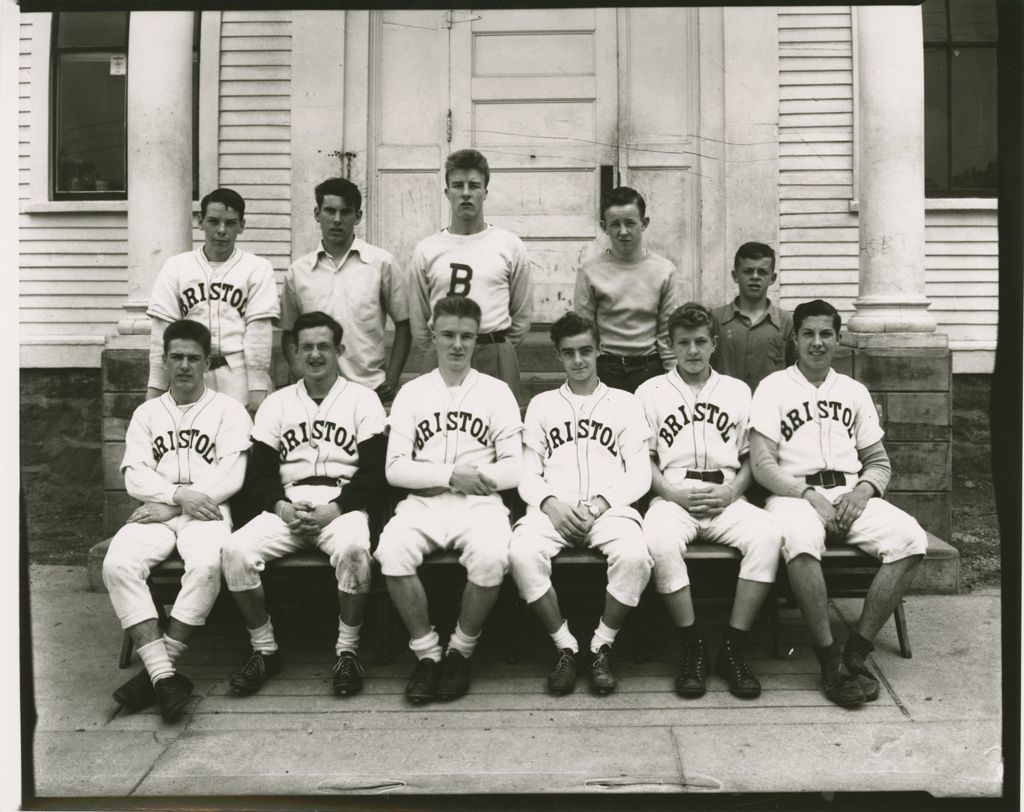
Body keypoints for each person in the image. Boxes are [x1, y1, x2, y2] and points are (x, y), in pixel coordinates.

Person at [749, 299, 928, 707]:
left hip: (850, 492)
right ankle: (829, 658)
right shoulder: (773, 387)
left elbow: (879, 462)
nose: (817, 343)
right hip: (794, 494)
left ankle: (857, 651)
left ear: (838, 338)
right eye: (808, 334)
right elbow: (761, 465)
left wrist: (863, 491)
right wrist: (808, 495)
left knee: (910, 539)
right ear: (794, 339)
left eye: (825, 334)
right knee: (798, 540)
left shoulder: (853, 391)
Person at [221, 311, 388, 698]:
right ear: (295, 352)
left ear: (339, 350)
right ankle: (264, 649)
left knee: (355, 551)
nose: (315, 355)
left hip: (342, 503)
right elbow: (259, 475)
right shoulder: (277, 404)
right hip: (289, 503)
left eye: (324, 347)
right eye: (307, 347)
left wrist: (339, 508)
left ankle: (347, 652)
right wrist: (281, 508)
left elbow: (374, 473)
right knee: (234, 551)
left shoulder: (363, 400)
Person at [375, 295, 524, 703]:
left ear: (477, 340)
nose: (457, 345)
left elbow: (515, 468)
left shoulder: (496, 393)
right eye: (448, 335)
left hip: (480, 503)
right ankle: (427, 656)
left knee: (493, 556)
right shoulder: (411, 393)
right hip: (424, 502)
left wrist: (461, 481)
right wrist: (448, 475)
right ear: (433, 337)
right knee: (391, 550)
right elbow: (394, 469)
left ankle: (459, 652)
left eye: (466, 336)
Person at [104, 320, 252, 721]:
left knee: (206, 565)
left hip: (205, 511)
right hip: (160, 508)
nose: (184, 366)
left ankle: (156, 669)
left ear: (207, 362)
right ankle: (166, 676)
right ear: (164, 361)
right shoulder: (147, 413)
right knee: (117, 564)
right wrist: (175, 496)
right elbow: (134, 473)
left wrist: (176, 504)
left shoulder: (228, 410)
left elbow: (231, 476)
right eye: (176, 357)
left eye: (193, 358)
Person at [637, 303, 783, 699]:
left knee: (768, 536)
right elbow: (643, 457)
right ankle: (693, 647)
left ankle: (733, 648)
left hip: (726, 494)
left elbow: (754, 455)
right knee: (657, 540)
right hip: (673, 493)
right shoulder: (649, 391)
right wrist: (668, 494)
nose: (693, 351)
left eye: (701, 342)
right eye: (683, 343)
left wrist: (733, 493)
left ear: (714, 344)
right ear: (670, 346)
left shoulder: (737, 391)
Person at [508, 312, 652, 696]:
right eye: (569, 353)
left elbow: (640, 474)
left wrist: (602, 503)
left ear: (599, 350)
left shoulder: (625, 403)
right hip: (553, 511)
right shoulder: (541, 405)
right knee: (521, 554)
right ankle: (566, 647)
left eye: (586, 351)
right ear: (558, 355)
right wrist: (550, 504)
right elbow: (525, 472)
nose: (578, 360)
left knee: (636, 557)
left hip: (610, 510)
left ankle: (601, 645)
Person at [409, 149, 533, 401]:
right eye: (458, 185)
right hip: (443, 352)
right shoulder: (427, 249)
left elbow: (522, 312)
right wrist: (439, 346)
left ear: (485, 192)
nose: (466, 193)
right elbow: (420, 318)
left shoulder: (508, 244)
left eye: (474, 185)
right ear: (447, 193)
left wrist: (499, 346)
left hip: (493, 349)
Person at [280, 177, 411, 406]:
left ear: (357, 216)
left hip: (370, 389)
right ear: (317, 214)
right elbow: (289, 331)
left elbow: (404, 324)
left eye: (346, 212)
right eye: (330, 211)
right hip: (317, 392)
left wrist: (391, 378)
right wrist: (300, 371)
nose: (337, 220)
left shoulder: (381, 263)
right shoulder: (298, 272)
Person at [147, 188, 280, 412]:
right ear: (200, 221)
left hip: (238, 371)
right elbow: (162, 332)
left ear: (242, 226)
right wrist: (156, 388)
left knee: (241, 440)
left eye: (230, 223)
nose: (221, 230)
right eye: (213, 221)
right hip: (190, 371)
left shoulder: (257, 268)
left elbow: (259, 334)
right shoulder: (176, 266)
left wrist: (257, 388)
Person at [573, 186, 681, 394]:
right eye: (615, 224)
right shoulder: (589, 271)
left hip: (650, 370)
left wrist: (673, 383)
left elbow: (667, 333)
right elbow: (584, 332)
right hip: (605, 371)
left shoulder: (664, 270)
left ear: (644, 223)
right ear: (604, 227)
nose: (623, 231)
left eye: (630, 223)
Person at [711, 242, 795, 393]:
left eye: (762, 272)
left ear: (772, 278)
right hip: (725, 407)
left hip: (771, 406)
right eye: (748, 271)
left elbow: (795, 370)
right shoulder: (715, 319)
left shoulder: (786, 321)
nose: (755, 277)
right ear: (735, 276)